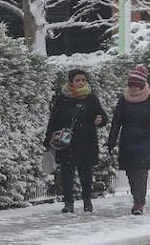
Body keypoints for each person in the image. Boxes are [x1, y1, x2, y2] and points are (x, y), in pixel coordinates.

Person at [108, 65, 150, 216]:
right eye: (131, 85)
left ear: (142, 85)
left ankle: (139, 203)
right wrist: (111, 140)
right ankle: (136, 196)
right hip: (127, 141)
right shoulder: (123, 100)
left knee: (141, 172)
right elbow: (116, 121)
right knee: (131, 173)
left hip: (145, 141)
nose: (133, 88)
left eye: (136, 85)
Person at [45, 69, 108, 213]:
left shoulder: (91, 98)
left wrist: (101, 120)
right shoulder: (62, 99)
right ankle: (68, 203)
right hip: (67, 142)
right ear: (70, 82)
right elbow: (53, 120)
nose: (80, 83)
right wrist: (48, 139)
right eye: (77, 80)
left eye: (83, 80)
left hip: (87, 141)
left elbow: (102, 116)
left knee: (86, 173)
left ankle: (87, 201)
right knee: (67, 173)